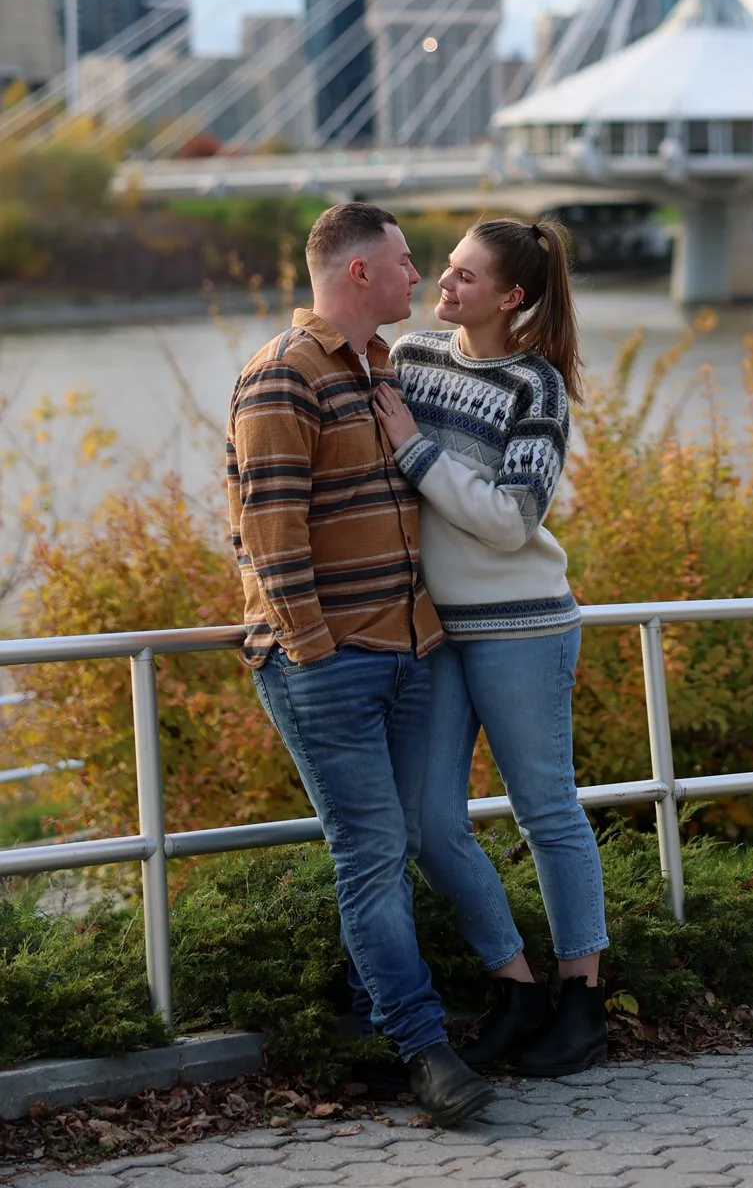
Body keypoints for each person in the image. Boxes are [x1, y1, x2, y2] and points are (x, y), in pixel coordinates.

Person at [226, 201, 493, 1128]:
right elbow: (268, 537)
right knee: (372, 852)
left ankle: (364, 1003)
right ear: (356, 275)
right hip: (330, 666)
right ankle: (425, 1051)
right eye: (406, 262)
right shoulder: (279, 378)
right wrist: (314, 651)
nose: (418, 279)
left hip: (412, 655)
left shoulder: (386, 369)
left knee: (409, 838)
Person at [373, 215, 609, 1077]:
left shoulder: (534, 388)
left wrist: (414, 450)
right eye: (444, 269)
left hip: (522, 626)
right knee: (429, 824)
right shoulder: (411, 360)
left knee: (547, 811)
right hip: (432, 632)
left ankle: (582, 1003)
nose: (443, 284)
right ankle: (515, 988)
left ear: (511, 296)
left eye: (465, 277)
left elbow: (513, 523)